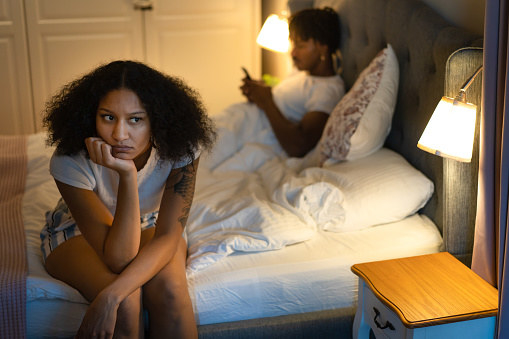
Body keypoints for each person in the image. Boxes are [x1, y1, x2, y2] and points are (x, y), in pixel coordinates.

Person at [40, 60, 215, 338]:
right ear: (91, 116)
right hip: (77, 229)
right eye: (108, 117)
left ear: (157, 119)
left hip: (152, 223)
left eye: (136, 119)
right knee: (127, 306)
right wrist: (127, 176)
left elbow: (168, 233)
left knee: (169, 291)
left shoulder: (180, 149)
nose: (120, 134)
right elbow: (118, 259)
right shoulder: (68, 159)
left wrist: (111, 295)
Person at [240, 7, 344, 158]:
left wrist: (267, 100)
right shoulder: (302, 71)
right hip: (245, 117)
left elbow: (298, 145)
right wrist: (257, 93)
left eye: (300, 46)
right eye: (293, 44)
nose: (293, 53)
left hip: (254, 131)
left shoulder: (328, 90)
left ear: (323, 47)